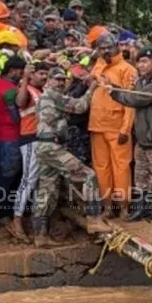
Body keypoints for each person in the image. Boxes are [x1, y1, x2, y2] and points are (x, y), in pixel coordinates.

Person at [34, 68, 112, 246]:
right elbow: (79, 106)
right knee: (89, 176)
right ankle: (94, 219)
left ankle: (40, 236)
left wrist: (83, 85)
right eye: (57, 80)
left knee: (46, 192)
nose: (61, 83)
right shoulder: (53, 95)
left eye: (63, 80)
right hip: (52, 147)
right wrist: (92, 89)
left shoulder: (47, 97)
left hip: (45, 147)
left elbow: (72, 99)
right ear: (49, 82)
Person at [111, 47, 152, 226]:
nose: (141, 65)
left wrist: (113, 91)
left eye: (145, 61)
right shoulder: (141, 81)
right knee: (141, 177)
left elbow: (135, 99)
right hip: (143, 138)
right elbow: (135, 95)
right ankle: (143, 208)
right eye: (139, 62)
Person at [90, 32, 138, 216]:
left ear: (116, 47)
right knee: (101, 168)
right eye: (101, 49)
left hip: (117, 127)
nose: (105, 52)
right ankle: (108, 206)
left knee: (121, 167)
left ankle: (124, 207)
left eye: (108, 48)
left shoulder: (127, 70)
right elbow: (93, 77)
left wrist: (125, 128)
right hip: (96, 125)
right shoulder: (99, 65)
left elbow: (130, 102)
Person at [8, 63, 47, 241]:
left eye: (46, 73)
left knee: (37, 182)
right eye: (41, 73)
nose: (44, 76)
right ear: (31, 75)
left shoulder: (40, 91)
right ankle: (16, 220)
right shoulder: (27, 90)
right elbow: (20, 103)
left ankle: (32, 220)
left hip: (41, 139)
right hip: (30, 138)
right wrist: (24, 78)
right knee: (29, 179)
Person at [0, 56, 28, 224]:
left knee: (7, 174)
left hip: (2, 134)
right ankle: (4, 212)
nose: (21, 75)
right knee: (9, 174)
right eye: (21, 72)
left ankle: (4, 210)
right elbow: (16, 116)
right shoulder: (8, 90)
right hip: (10, 136)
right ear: (13, 70)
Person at [64, 64, 95, 165]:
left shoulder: (74, 87)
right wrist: (89, 88)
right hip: (75, 131)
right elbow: (80, 107)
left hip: (82, 129)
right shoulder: (58, 94)